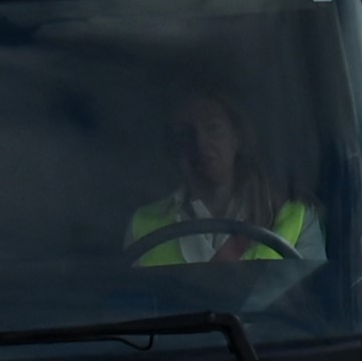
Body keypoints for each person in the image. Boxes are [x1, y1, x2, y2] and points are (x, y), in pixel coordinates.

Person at [122, 81, 319, 279]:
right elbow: (132, 304)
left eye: (213, 128)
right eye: (186, 134)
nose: (200, 143)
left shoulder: (295, 218)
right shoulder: (143, 225)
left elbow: (313, 302)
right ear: (174, 147)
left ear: (237, 137)